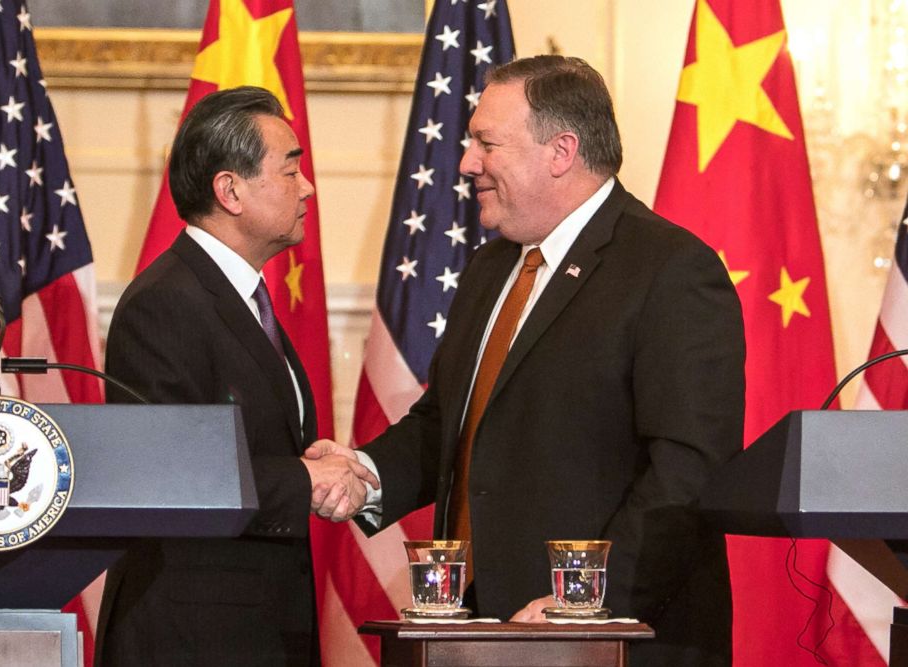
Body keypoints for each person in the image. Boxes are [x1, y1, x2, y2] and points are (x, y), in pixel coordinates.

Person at [308, 56, 745, 666]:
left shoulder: (669, 270)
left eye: (486, 143)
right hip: (474, 631)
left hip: (608, 640)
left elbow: (688, 469)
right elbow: (448, 424)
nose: (466, 164)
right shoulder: (492, 268)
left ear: (561, 151)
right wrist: (364, 474)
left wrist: (586, 604)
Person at [94, 86, 376, 667]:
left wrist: (319, 466)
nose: (308, 188)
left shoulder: (240, 295)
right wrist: (306, 479)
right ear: (230, 190)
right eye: (291, 169)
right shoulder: (166, 302)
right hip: (191, 635)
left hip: (256, 624)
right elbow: (168, 473)